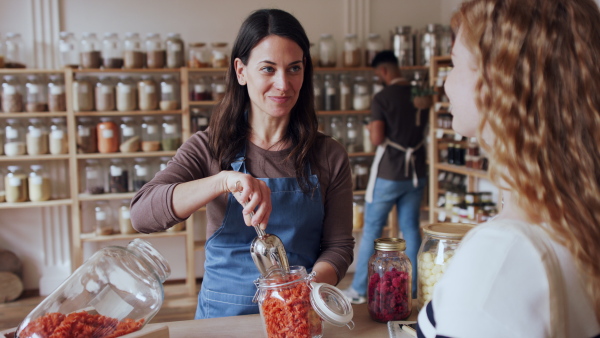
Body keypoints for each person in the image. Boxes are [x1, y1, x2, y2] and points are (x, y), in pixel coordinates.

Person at [130, 9, 354, 319]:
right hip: (221, 319)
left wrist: (303, 290)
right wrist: (222, 181)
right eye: (267, 68)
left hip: (297, 314)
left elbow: (338, 246)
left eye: (294, 68)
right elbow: (142, 215)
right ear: (241, 70)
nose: (283, 84)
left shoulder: (329, 155)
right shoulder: (209, 147)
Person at [417, 0, 600, 336]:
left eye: (455, 64)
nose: (445, 84)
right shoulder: (577, 217)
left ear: (497, 82)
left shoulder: (501, 259)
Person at [343, 51, 428, 304]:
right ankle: (413, 289)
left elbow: (378, 139)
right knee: (411, 228)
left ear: (383, 72)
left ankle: (358, 289)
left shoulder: (382, 97)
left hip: (390, 172)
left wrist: (371, 130)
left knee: (372, 229)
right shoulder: (420, 94)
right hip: (416, 171)